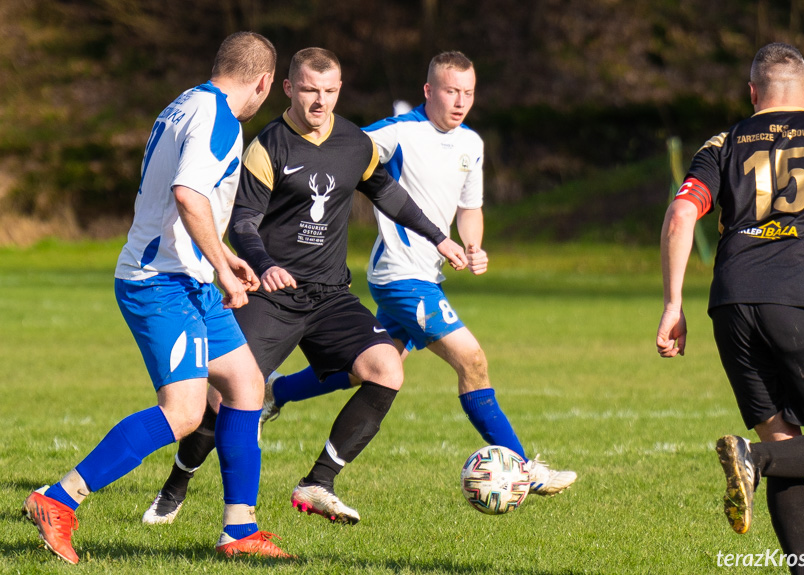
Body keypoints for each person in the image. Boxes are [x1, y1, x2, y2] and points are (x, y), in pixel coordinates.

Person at [142, 50, 575, 527]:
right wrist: (263, 264)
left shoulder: (354, 143)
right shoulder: (267, 146)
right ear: (288, 88)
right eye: (309, 90)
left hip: (329, 294)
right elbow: (243, 222)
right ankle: (177, 482)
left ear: (340, 89)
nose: (319, 101)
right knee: (223, 399)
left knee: (386, 368)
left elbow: (388, 193)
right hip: (272, 293)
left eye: (329, 91)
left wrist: (440, 238)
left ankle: (318, 482)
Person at [21, 32, 291, 563]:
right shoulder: (221, 120)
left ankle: (239, 530)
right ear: (263, 83)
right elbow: (188, 195)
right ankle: (58, 499)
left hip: (187, 278)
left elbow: (188, 201)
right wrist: (226, 270)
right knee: (185, 412)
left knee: (245, 383)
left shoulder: (186, 102)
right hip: (160, 283)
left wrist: (223, 261)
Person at [657, 42, 804, 575]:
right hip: (802, 301)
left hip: (730, 304)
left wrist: (673, 304)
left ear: (753, 94)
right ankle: (754, 459)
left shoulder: (723, 143)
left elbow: (682, 215)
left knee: (781, 440)